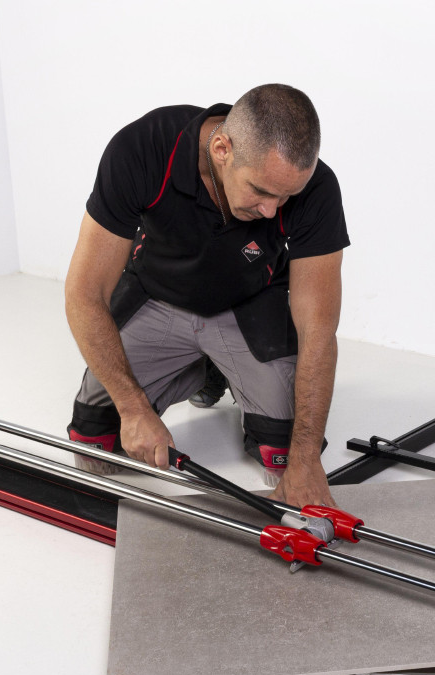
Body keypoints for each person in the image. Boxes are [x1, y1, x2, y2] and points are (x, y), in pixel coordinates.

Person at [64, 84, 349, 508]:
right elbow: (83, 294)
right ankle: (205, 369)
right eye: (261, 191)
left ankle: (224, 365)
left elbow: (319, 330)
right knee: (96, 440)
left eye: (286, 197)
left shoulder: (318, 187)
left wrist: (307, 459)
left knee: (282, 454)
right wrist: (133, 409)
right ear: (221, 150)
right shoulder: (143, 148)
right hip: (158, 293)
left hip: (248, 302)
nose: (272, 210)